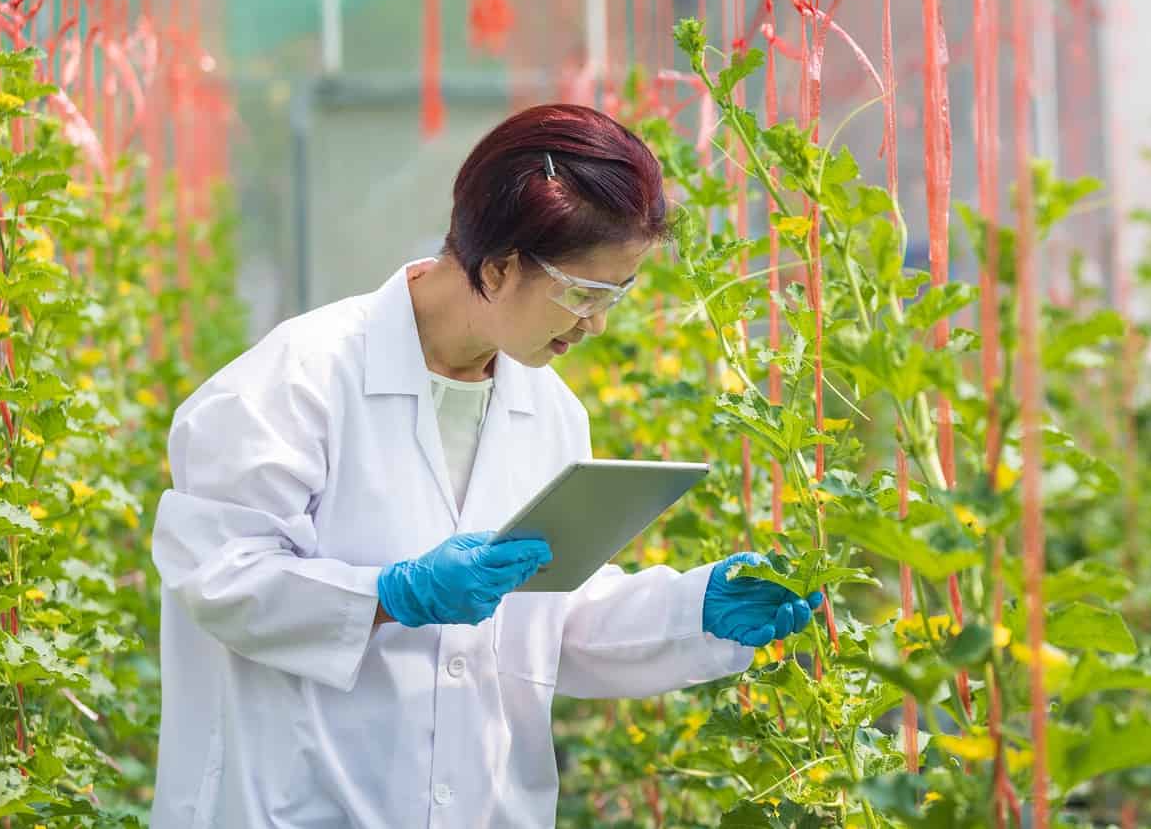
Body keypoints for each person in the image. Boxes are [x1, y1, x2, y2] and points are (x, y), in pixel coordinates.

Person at [149, 104, 824, 828]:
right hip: (296, 806)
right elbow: (217, 577)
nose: (595, 324)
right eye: (584, 293)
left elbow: (549, 614)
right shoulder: (297, 380)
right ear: (498, 267)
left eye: (616, 295)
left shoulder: (551, 413)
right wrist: (388, 594)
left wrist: (696, 609)